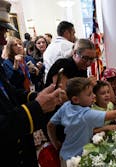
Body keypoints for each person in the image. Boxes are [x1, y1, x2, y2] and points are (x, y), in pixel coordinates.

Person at [0, 1, 66, 166]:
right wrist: (37, 107)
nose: (3, 40)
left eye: (4, 33)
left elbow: (10, 93)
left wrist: (36, 96)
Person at [47, 77, 116, 165]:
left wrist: (56, 143)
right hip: (76, 159)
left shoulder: (66, 106)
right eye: (89, 94)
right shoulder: (86, 114)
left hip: (63, 154)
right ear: (76, 99)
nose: (93, 96)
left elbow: (50, 125)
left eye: (93, 92)